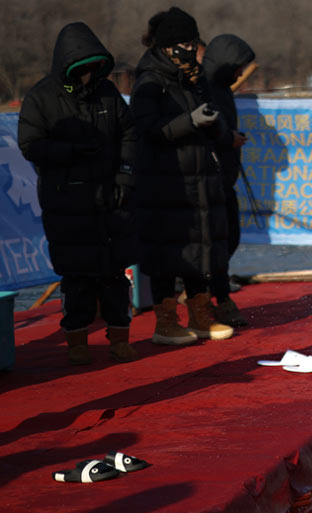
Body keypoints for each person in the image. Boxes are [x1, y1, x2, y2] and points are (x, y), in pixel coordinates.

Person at [18, 22, 138, 365]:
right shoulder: (41, 97)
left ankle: (119, 336)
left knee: (116, 274)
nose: (89, 76)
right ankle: (77, 341)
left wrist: (125, 177)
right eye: (83, 69)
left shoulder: (108, 93)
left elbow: (130, 134)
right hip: (67, 202)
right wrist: (70, 150)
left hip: (112, 198)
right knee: (78, 276)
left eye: (94, 68)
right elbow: (31, 145)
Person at [130, 7, 233, 345]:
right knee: (167, 252)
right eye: (186, 43)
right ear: (169, 46)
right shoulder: (149, 81)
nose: (192, 48)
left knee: (199, 249)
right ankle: (166, 322)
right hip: (165, 180)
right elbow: (147, 130)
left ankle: (201, 315)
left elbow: (212, 124)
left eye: (193, 41)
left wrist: (213, 122)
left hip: (199, 179)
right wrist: (189, 122)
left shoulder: (195, 77)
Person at [202, 34, 255, 328]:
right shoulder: (204, 87)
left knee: (230, 236)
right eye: (238, 68)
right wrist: (227, 138)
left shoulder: (222, 88)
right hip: (208, 177)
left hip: (226, 176)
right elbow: (204, 128)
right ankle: (218, 299)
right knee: (217, 242)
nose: (240, 74)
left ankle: (210, 292)